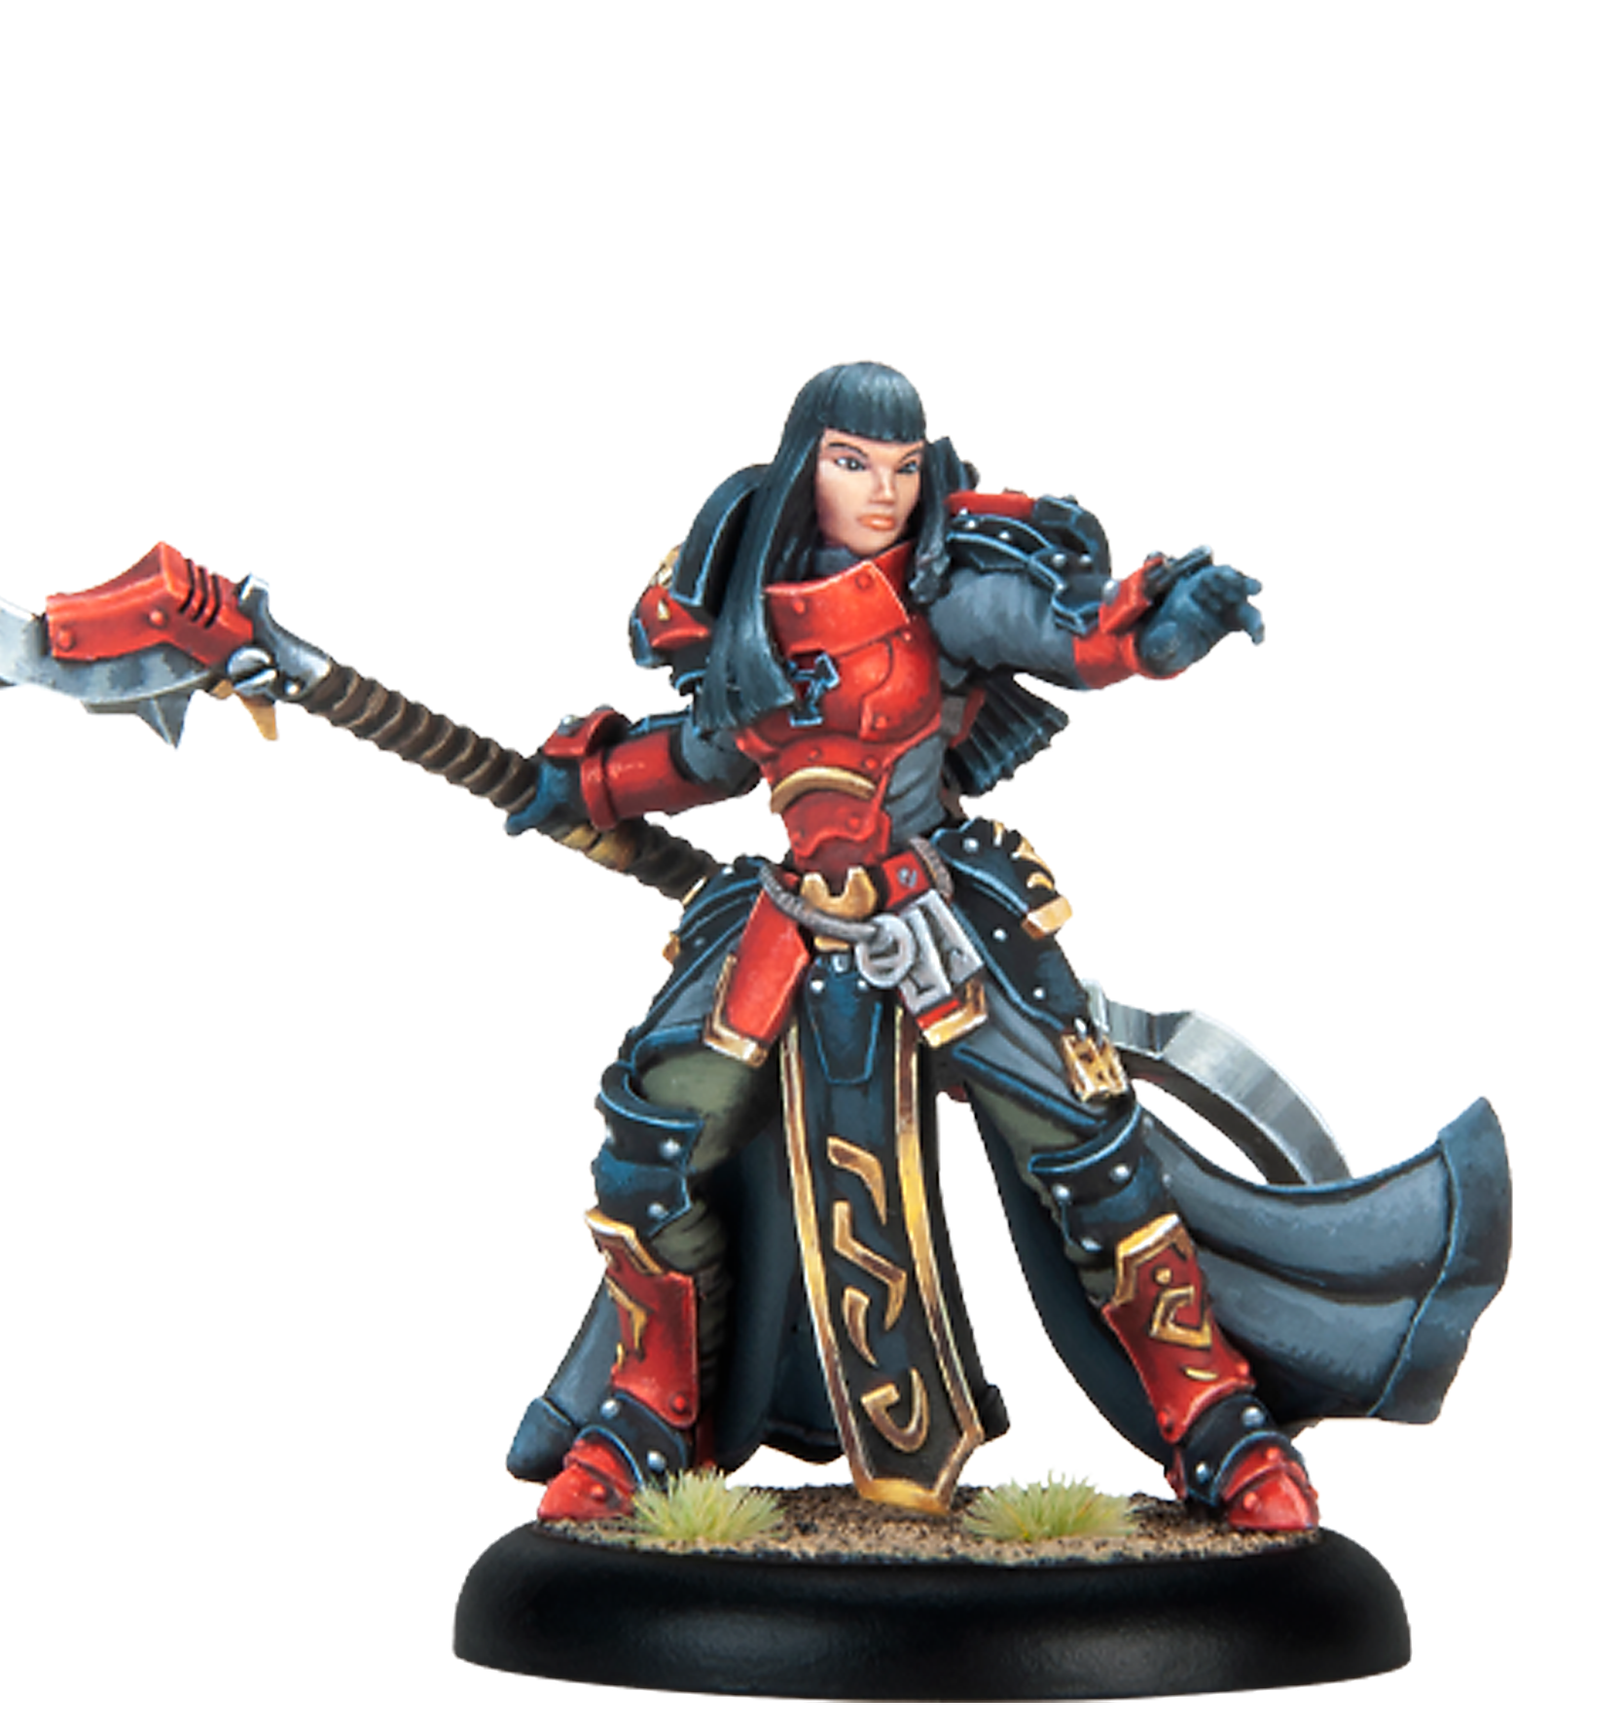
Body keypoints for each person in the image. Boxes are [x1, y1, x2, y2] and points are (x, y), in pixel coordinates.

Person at [501, 362, 1335, 1531]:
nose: (882, 491)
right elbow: (705, 754)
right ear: (805, 465)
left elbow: (1068, 636)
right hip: (790, 927)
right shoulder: (746, 610)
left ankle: (1211, 1419)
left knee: (1088, 1151)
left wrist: (1157, 631)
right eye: (852, 463)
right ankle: (649, 1413)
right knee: (651, 1145)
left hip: (937, 917)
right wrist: (589, 782)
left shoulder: (942, 588)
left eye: (900, 465)